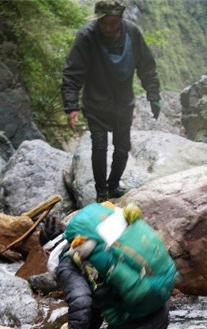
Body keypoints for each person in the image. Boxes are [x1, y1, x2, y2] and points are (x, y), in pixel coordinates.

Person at [39, 204, 172, 329]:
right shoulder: (98, 247)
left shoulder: (67, 265)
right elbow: (98, 300)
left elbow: (81, 299)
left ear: (48, 252)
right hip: (160, 312)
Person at [61, 0, 162, 203]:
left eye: (113, 23)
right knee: (99, 146)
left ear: (121, 20)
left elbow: (146, 66)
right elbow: (73, 72)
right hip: (96, 102)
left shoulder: (132, 34)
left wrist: (154, 95)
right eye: (103, 23)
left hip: (123, 102)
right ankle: (101, 193)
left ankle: (114, 184)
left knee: (122, 147)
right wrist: (71, 106)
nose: (108, 27)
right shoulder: (87, 36)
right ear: (98, 20)